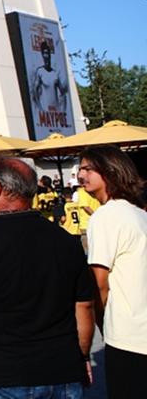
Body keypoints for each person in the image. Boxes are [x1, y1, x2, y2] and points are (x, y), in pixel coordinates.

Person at [0, 157, 95, 399]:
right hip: (61, 370)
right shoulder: (65, 241)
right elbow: (84, 305)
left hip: (1, 374)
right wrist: (83, 355)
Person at [79, 145, 147, 398]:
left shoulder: (106, 216)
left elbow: (99, 283)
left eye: (88, 168)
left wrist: (100, 323)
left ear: (109, 171)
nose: (80, 175)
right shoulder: (138, 213)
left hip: (127, 336)